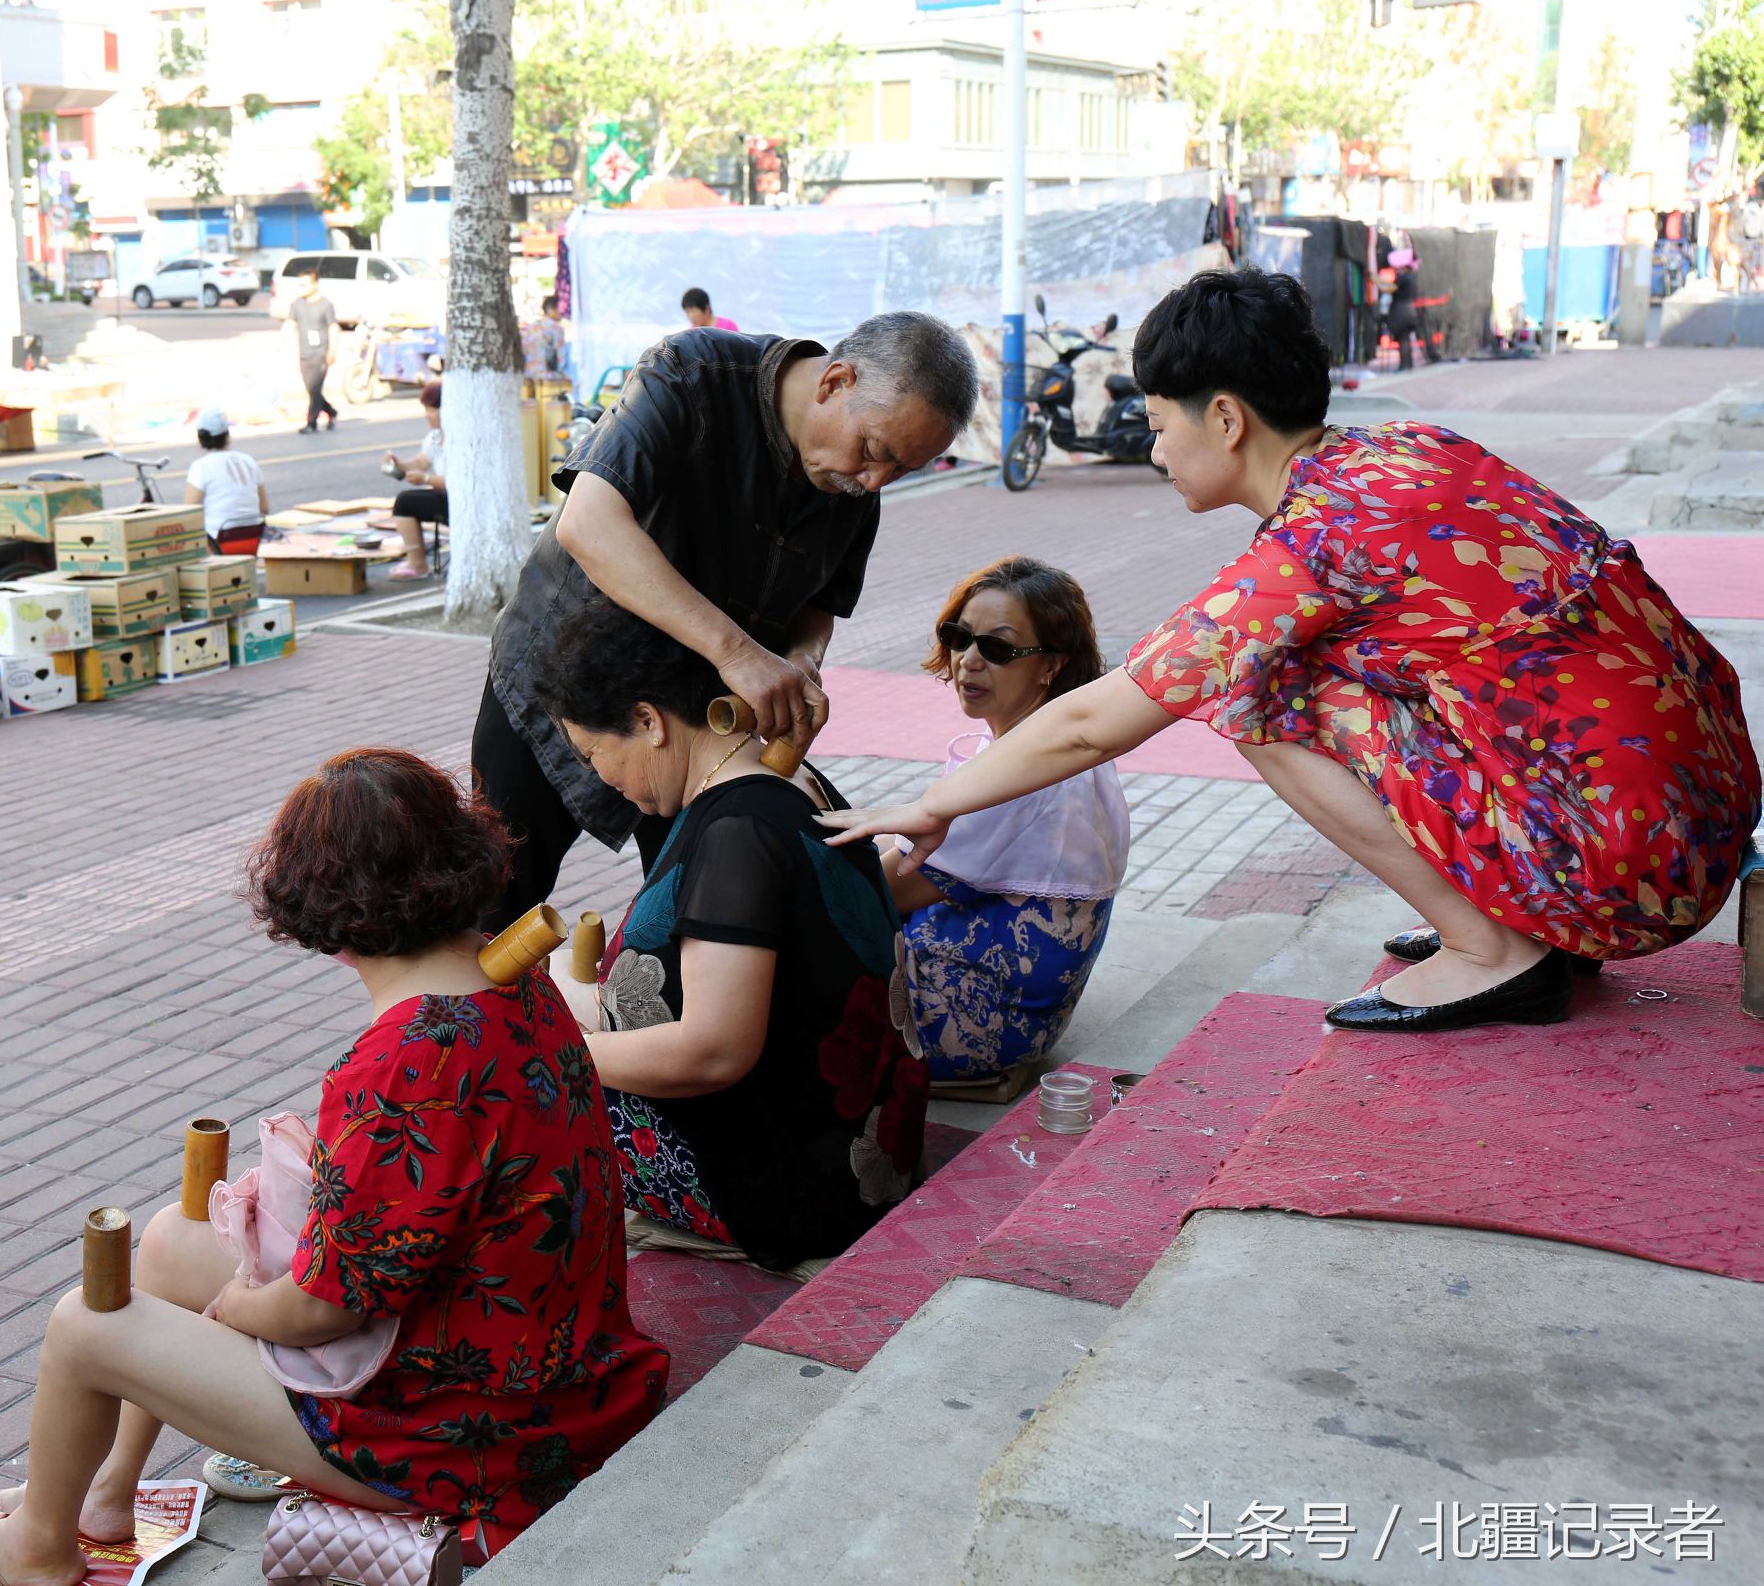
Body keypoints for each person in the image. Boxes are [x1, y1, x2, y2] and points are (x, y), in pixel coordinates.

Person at [826, 268, 1762, 1033]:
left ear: (1224, 420)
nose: (1154, 454)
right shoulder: (1409, 448)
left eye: (1159, 427)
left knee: (1257, 699)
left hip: (1631, 872)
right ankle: (1519, 922)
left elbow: (1089, 724)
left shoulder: (1319, 540)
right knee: (1305, 668)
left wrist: (929, 803)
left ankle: (1493, 953)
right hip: (1704, 809)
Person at [0, 750, 667, 1582]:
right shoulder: (516, 980)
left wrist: (239, 1307)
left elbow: (325, 1309)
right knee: (165, 1241)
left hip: (458, 1435)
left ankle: (38, 1554)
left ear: (325, 922)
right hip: (545, 1369)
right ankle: (104, 1495)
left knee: (81, 1326)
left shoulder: (405, 1065)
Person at [474, 311, 977, 935]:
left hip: (692, 726)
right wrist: (738, 654)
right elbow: (588, 523)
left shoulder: (853, 484)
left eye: (901, 470)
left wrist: (802, 660)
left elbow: (821, 605)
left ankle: (659, 1023)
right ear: (834, 381)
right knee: (496, 898)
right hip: (561, 690)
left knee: (694, 911)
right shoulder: (691, 374)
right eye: (874, 451)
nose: (874, 480)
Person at [528, 597, 929, 1271]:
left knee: (497, 1092)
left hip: (799, 1189)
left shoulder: (736, 836)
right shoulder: (788, 779)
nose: (596, 775)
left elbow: (711, 1053)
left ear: (649, 721)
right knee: (534, 1000)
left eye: (592, 751)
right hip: (851, 1151)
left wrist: (549, 1053)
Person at [890, 559, 1128, 1086]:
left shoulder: (1022, 778)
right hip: (1024, 1019)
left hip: (967, 1027)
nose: (967, 662)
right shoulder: (1052, 749)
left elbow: (883, 889)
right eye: (959, 637)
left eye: (997, 648)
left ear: (1050, 666)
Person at [384, 381, 446, 581]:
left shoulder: (462, 438)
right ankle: (416, 561)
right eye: (426, 409)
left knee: (405, 502)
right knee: (405, 502)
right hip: (445, 496)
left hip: (465, 501)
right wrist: (399, 465)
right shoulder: (435, 437)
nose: (428, 415)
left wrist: (426, 479)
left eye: (433, 409)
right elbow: (420, 462)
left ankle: (418, 564)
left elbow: (460, 483)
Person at [185, 406, 267, 555]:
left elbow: (189, 513)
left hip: (218, 545)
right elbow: (264, 508)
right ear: (226, 435)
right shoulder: (248, 461)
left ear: (200, 437)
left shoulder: (200, 467)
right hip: (253, 541)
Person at [290, 270, 338, 434]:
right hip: (304, 353)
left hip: (321, 353)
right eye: (300, 284)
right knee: (312, 389)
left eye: (305, 284)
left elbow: (333, 327)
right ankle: (331, 412)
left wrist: (332, 350)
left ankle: (311, 423)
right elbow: (290, 323)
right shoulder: (298, 304)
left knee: (315, 388)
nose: (302, 288)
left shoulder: (326, 305)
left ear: (315, 284)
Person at [1384, 248, 1422, 372]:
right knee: (1405, 338)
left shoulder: (1402, 277)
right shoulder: (1412, 276)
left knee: (1402, 339)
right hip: (1410, 310)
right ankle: (1408, 364)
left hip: (1401, 311)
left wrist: (1376, 281)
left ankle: (1404, 365)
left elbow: (1390, 288)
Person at [525, 293, 569, 385]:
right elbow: (561, 356)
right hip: (547, 376)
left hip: (528, 373)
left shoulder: (532, 326)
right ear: (550, 309)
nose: (562, 312)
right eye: (560, 308)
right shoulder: (556, 328)